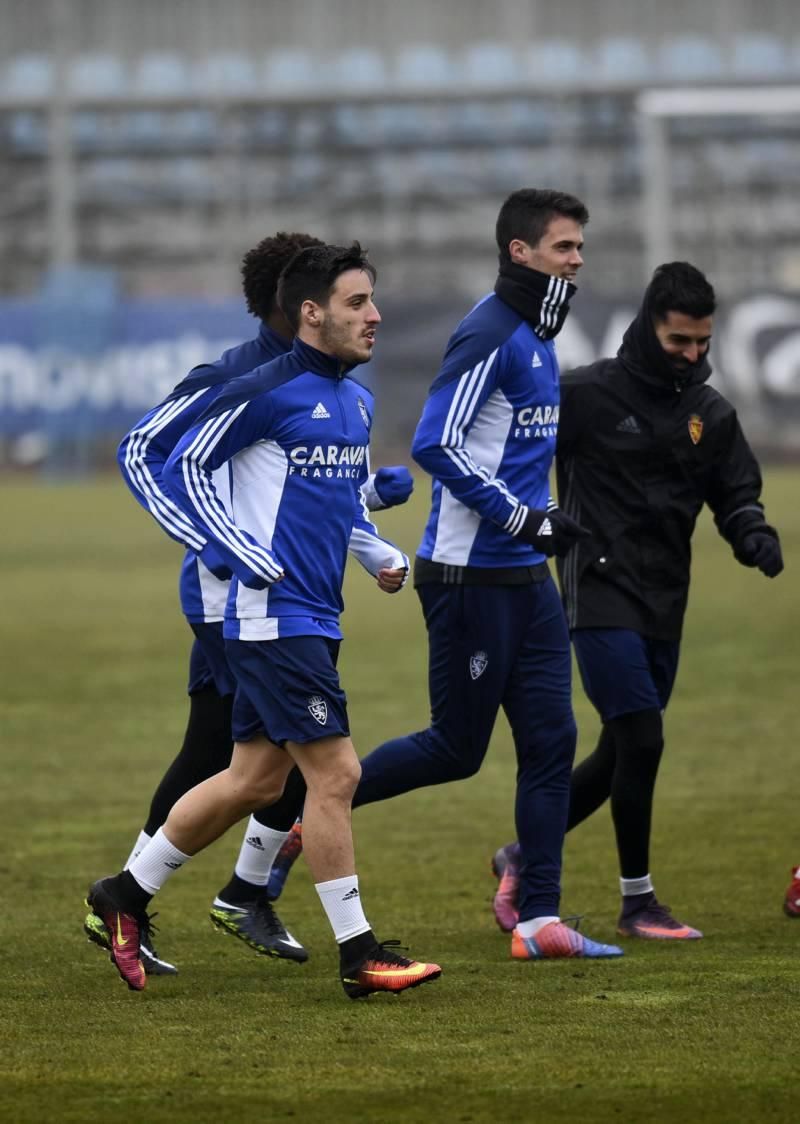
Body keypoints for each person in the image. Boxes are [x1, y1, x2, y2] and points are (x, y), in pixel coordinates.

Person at [271, 189, 625, 961]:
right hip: (468, 576)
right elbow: (436, 443)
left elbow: (516, 452)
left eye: (581, 248)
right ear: (520, 252)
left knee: (553, 741)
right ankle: (298, 819)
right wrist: (520, 519)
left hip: (526, 576)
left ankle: (538, 921)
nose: (578, 261)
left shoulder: (536, 335)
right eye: (565, 247)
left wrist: (546, 520)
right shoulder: (489, 333)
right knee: (454, 749)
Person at [86, 241, 442, 1000]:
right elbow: (174, 461)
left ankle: (124, 894)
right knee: (337, 774)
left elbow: (329, 503)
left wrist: (374, 549)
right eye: (356, 303)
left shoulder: (358, 399)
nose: (375, 316)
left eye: (373, 301)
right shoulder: (260, 389)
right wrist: (228, 545)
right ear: (309, 312)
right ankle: (359, 955)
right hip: (270, 617)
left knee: (250, 779)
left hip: (317, 612)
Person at [490, 261, 784, 940]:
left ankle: (519, 852)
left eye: (702, 343)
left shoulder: (709, 413)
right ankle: (637, 900)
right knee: (643, 738)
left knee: (621, 751)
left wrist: (753, 534)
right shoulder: (587, 395)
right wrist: (534, 521)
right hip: (594, 590)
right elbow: (517, 458)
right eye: (680, 341)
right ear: (651, 326)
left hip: (664, 602)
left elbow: (734, 494)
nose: (692, 354)